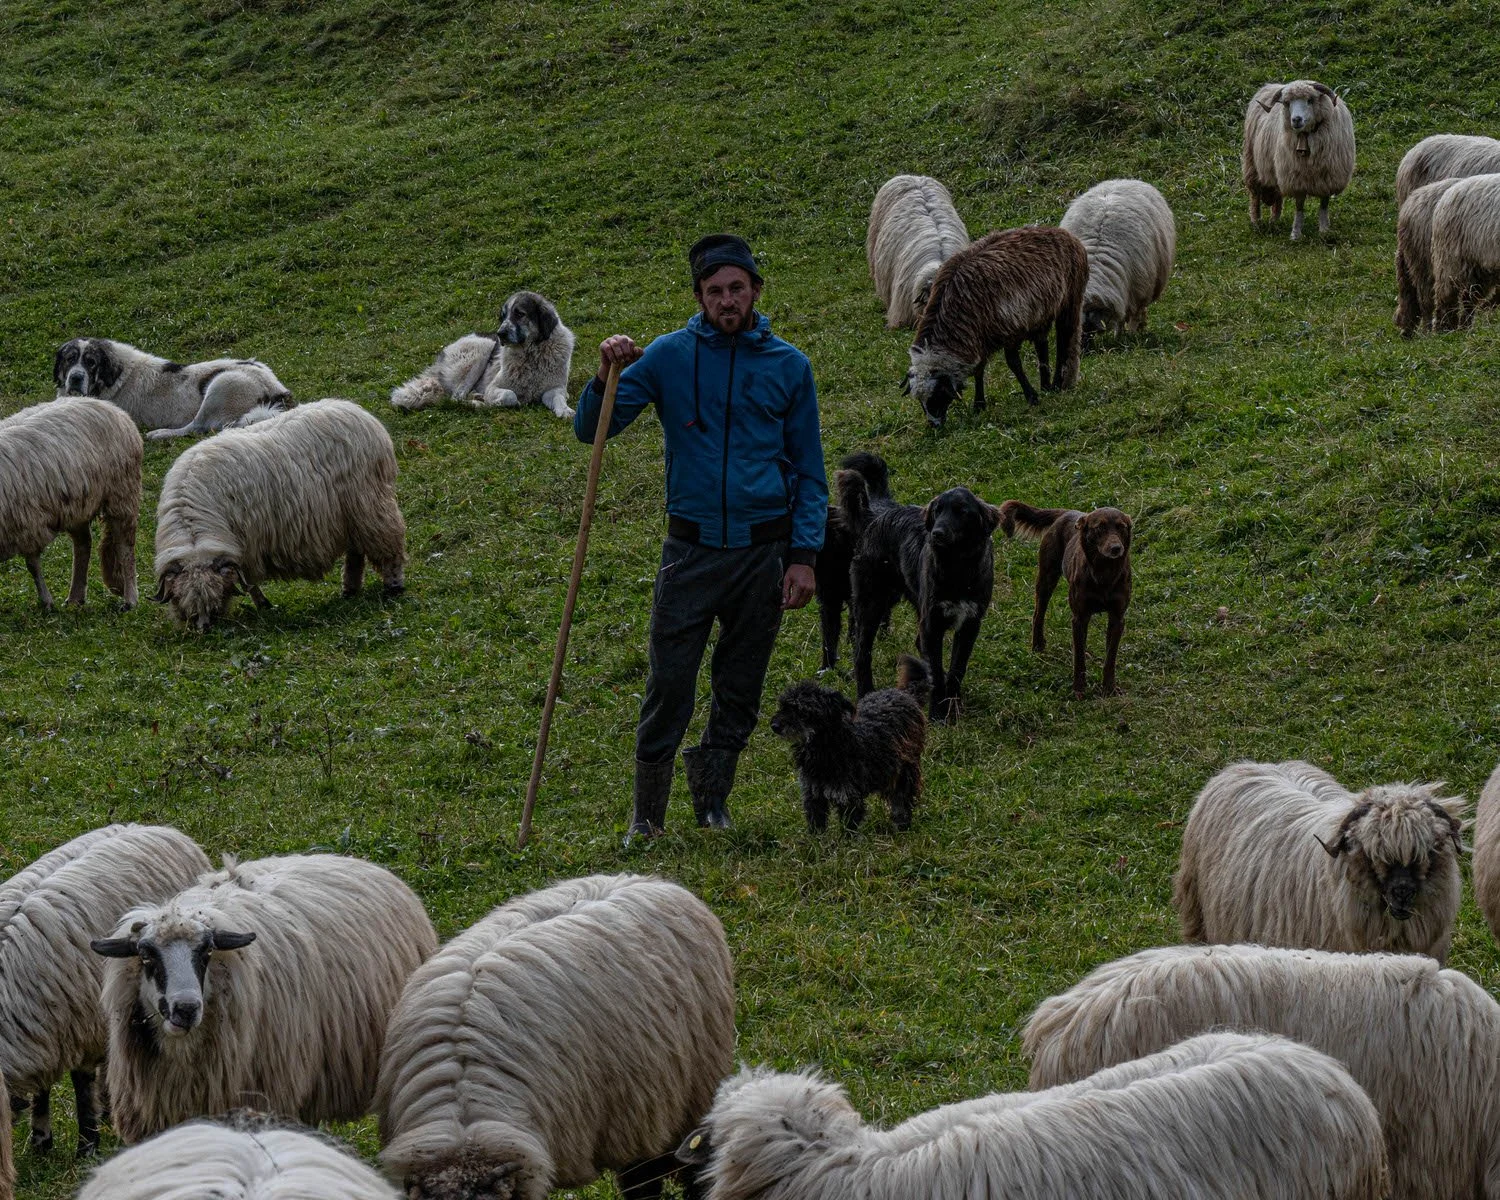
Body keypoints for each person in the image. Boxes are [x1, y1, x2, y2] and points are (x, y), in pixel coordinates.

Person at [574, 233, 827, 843]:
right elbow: (591, 430)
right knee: (670, 681)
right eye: (715, 291)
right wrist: (606, 371)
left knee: (739, 686)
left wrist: (803, 558)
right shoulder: (667, 356)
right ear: (699, 297)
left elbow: (811, 473)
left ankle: (713, 802)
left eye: (737, 288)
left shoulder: (790, 366)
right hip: (688, 553)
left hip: (762, 554)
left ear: (756, 291)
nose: (727, 300)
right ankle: (647, 816)